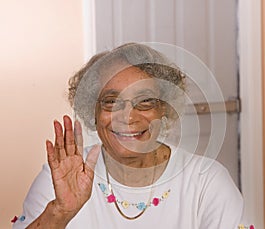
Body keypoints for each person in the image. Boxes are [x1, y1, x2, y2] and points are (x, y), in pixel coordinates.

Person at [12, 43, 243, 229]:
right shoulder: (61, 178)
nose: (128, 116)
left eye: (144, 101)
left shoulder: (207, 182)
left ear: (164, 109)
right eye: (112, 102)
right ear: (93, 110)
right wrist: (60, 212)